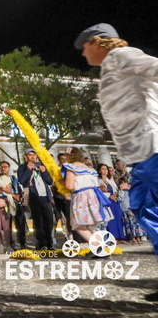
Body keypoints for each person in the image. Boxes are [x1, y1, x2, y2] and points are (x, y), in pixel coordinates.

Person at [76, 24, 158, 301]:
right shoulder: (109, 69)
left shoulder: (122, 57)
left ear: (98, 42)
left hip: (152, 147)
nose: (83, 53)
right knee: (144, 209)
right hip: (138, 156)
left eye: (85, 46)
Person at [61, 148, 113, 246]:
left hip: (81, 197)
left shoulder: (71, 167)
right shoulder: (90, 169)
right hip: (93, 196)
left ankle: (98, 247)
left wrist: (62, 183)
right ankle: (103, 246)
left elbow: (70, 186)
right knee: (90, 226)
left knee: (78, 225)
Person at [18, 148, 54, 249]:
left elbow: (50, 181)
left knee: (49, 221)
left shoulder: (41, 166)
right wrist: (29, 170)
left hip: (45, 197)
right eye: (30, 155)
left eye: (34, 155)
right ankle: (41, 244)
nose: (32, 157)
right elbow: (21, 180)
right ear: (26, 157)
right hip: (34, 197)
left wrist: (44, 172)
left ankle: (50, 243)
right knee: (38, 222)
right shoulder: (22, 168)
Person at [0, 161, 27, 250]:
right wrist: (12, 195)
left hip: (17, 202)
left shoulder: (13, 178)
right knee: (8, 225)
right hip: (6, 202)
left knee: (21, 223)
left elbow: (19, 187)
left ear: (9, 168)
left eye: (5, 166)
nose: (4, 168)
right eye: (2, 167)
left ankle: (23, 243)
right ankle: (10, 244)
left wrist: (20, 196)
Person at [97, 163, 125, 241]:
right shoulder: (98, 180)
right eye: (103, 169)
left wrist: (115, 194)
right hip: (107, 200)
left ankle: (120, 236)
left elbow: (115, 188)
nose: (105, 171)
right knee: (110, 220)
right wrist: (109, 196)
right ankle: (112, 237)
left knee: (118, 218)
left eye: (106, 169)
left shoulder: (110, 179)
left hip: (115, 200)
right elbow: (99, 191)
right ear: (99, 171)